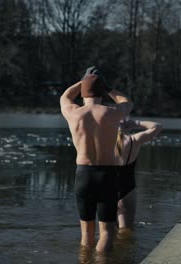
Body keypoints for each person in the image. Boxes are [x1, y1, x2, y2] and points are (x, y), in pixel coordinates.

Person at [60, 67, 133, 251]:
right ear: (102, 92)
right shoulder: (112, 113)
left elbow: (65, 97)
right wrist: (107, 86)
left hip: (84, 175)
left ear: (83, 93)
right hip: (107, 175)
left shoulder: (74, 113)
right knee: (107, 232)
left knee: (86, 232)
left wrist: (84, 80)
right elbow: (127, 102)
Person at [115, 117, 163, 230]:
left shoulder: (103, 141)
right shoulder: (134, 140)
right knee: (126, 229)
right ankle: (125, 247)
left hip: (107, 187)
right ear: (126, 125)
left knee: (107, 230)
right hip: (127, 186)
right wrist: (136, 123)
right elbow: (158, 126)